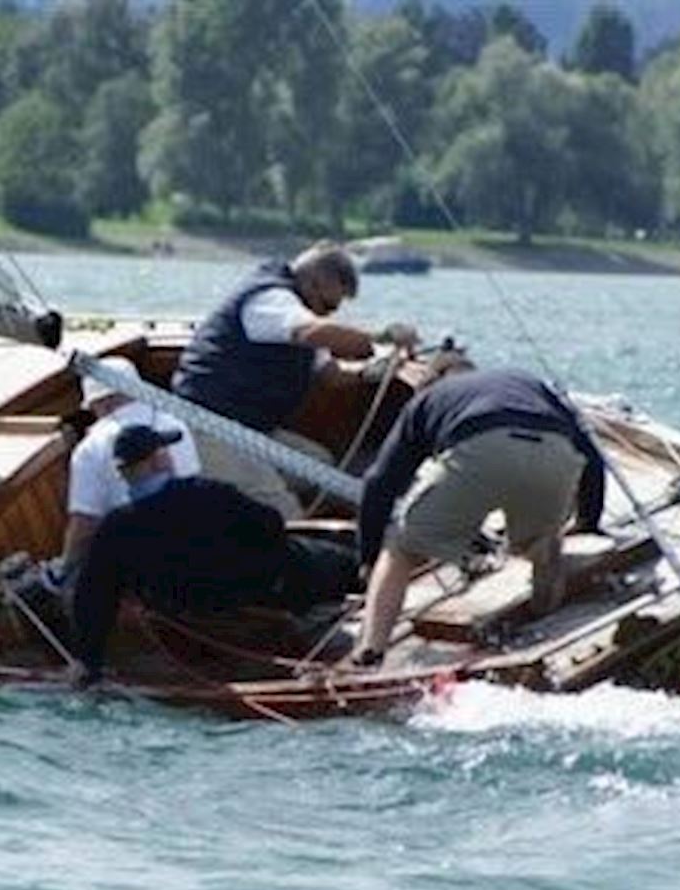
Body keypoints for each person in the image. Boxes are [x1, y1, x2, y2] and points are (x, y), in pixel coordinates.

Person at [349, 352, 606, 668]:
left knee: (401, 550)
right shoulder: (525, 381)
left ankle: (370, 651)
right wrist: (588, 521)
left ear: (430, 380)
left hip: (480, 447)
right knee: (542, 547)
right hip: (554, 452)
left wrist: (368, 557)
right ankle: (544, 628)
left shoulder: (428, 398)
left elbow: (380, 481)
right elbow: (592, 458)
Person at [68, 425, 361, 686]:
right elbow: (270, 525)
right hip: (268, 592)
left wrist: (87, 662)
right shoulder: (210, 495)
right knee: (345, 559)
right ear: (158, 461)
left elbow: (93, 596)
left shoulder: (115, 530)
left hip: (193, 615)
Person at [172, 240, 417, 519]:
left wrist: (376, 370)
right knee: (285, 515)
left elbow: (332, 375)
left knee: (320, 467)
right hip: (209, 427)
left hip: (251, 428)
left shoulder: (301, 317)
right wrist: (379, 336)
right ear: (312, 283)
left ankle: (240, 503)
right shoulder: (272, 301)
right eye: (327, 305)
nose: (327, 314)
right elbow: (311, 331)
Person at [56, 357, 200, 580]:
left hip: (145, 567)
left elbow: (84, 525)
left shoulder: (90, 449)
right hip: (195, 545)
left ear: (99, 403)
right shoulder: (176, 424)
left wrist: (62, 571)